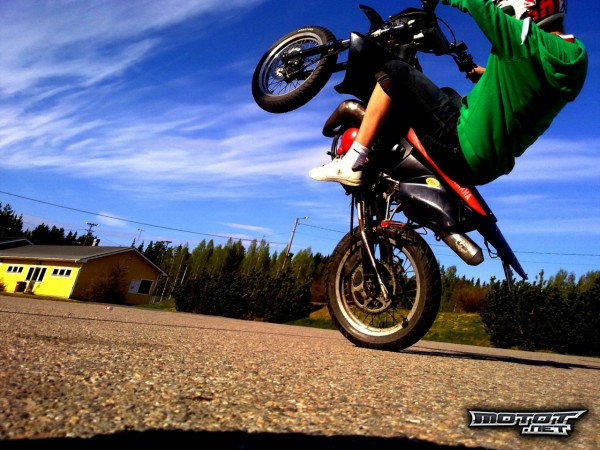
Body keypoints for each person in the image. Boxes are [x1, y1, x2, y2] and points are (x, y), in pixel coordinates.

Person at [309, 0, 588, 187]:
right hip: (490, 165)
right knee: (449, 94)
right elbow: (528, 87)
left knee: (395, 71)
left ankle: (353, 161)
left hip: (460, 148)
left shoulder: (522, 40)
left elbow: (477, 4)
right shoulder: (574, 59)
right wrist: (485, 73)